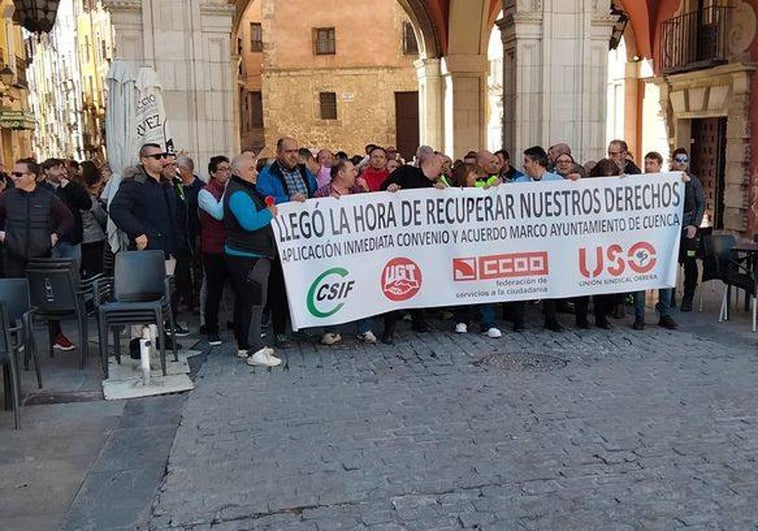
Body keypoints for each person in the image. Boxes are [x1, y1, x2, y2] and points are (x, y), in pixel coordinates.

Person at [110, 143, 187, 354]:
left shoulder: (166, 183)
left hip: (168, 247)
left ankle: (162, 334)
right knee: (145, 295)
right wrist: (137, 232)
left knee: (166, 294)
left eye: (163, 156)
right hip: (148, 250)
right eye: (157, 156)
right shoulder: (134, 184)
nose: (162, 160)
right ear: (144, 160)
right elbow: (117, 209)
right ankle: (138, 341)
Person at [0, 158, 74, 350]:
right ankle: (16, 338)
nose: (13, 177)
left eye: (18, 174)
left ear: (32, 176)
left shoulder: (47, 197)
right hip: (13, 256)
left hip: (41, 257)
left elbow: (67, 218)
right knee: (13, 300)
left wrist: (55, 236)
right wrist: (3, 236)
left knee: (49, 297)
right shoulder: (7, 197)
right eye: (12, 173)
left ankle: (56, 337)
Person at [257, 136, 318, 346]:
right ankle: (280, 330)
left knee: (302, 283)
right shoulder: (268, 174)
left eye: (296, 151)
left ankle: (300, 325)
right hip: (280, 239)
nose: (293, 155)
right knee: (280, 288)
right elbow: (265, 198)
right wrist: (288, 201)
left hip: (303, 236)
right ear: (279, 153)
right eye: (288, 151)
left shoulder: (303, 171)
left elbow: (314, 188)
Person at [379, 149, 444, 344]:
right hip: (397, 240)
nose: (444, 170)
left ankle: (419, 320)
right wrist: (390, 188)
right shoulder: (406, 172)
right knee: (395, 281)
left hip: (421, 242)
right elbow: (383, 188)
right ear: (432, 163)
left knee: (419, 279)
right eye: (442, 165)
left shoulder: (434, 185)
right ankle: (389, 328)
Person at [224, 152, 281, 367]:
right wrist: (269, 213)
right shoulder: (238, 193)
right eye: (251, 169)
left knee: (245, 303)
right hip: (248, 257)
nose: (255, 172)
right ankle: (255, 349)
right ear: (238, 172)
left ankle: (245, 345)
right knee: (256, 303)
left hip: (247, 254)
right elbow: (249, 222)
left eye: (255, 168)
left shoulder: (240, 189)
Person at [314, 159, 376, 344]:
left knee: (362, 287)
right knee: (334, 287)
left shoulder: (358, 191)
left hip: (358, 250)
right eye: (351, 170)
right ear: (340, 173)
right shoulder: (322, 193)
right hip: (333, 251)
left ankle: (364, 328)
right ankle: (332, 329)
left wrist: (366, 191)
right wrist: (326, 205)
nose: (355, 173)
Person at [447, 161, 502, 338]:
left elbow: (491, 187)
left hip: (481, 247)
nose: (476, 177)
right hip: (460, 247)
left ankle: (488, 323)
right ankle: (461, 320)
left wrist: (495, 185)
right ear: (464, 176)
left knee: (484, 285)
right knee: (463, 284)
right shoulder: (451, 191)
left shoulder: (481, 187)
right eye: (472, 174)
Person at [514, 146, 564, 331]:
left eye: (527, 161)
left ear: (536, 162)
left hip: (550, 241)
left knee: (550, 280)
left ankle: (550, 319)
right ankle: (519, 321)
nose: (524, 165)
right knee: (521, 279)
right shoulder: (517, 183)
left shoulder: (557, 182)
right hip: (525, 241)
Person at [632, 151, 677, 330]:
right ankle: (639, 316)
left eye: (651, 163)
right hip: (642, 237)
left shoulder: (669, 182)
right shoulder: (637, 182)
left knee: (664, 274)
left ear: (659, 165)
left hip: (663, 236)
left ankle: (664, 314)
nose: (648, 166)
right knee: (640, 277)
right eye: (646, 163)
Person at [573, 159, 620, 329]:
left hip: (607, 242)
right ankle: (581, 318)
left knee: (603, 284)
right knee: (583, 282)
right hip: (586, 241)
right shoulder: (585, 187)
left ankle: (601, 317)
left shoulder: (618, 189)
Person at [198, 155, 232, 346]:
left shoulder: (229, 190)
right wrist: (227, 191)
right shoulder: (205, 193)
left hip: (230, 246)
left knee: (234, 289)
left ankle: (233, 322)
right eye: (222, 169)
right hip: (212, 248)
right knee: (214, 290)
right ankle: (212, 328)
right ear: (212, 172)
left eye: (228, 169)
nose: (226, 173)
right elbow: (218, 214)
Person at [670, 147, 705, 312]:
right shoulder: (665, 179)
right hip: (669, 229)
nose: (682, 163)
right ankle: (668, 297)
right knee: (668, 263)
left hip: (687, 228)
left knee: (690, 263)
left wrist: (695, 225)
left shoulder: (694, 181)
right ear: (672, 161)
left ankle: (688, 297)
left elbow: (701, 204)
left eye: (685, 160)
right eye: (679, 160)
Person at [77, 161, 108, 278]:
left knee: (86, 267)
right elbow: (100, 215)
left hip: (81, 238)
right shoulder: (88, 198)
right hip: (94, 236)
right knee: (96, 268)